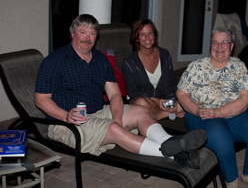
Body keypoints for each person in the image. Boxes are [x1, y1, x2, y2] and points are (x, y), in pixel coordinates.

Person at [34, 14, 207, 169]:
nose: (87, 38)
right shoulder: (54, 61)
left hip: (100, 112)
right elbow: (41, 100)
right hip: (69, 123)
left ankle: (168, 142)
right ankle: (175, 153)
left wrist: (117, 118)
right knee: (113, 129)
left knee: (139, 111)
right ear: (72, 34)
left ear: (97, 36)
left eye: (92, 33)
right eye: (83, 32)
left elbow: (115, 95)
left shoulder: (100, 59)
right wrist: (65, 116)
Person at [176, 27, 248, 187]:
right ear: (210, 45)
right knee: (221, 136)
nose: (219, 47)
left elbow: (247, 99)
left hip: (235, 115)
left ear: (232, 46)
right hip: (202, 115)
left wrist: (219, 112)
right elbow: (181, 94)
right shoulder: (197, 66)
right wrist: (196, 110)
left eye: (224, 42)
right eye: (215, 43)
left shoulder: (239, 66)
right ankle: (232, 179)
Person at [122, 19, 184, 120]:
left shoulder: (165, 55)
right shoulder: (129, 63)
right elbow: (133, 92)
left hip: (163, 101)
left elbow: (170, 83)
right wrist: (156, 101)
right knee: (141, 103)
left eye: (150, 33)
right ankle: (168, 114)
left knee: (189, 99)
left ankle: (159, 115)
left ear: (154, 36)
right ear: (136, 38)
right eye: (142, 34)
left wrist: (171, 101)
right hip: (146, 102)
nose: (147, 37)